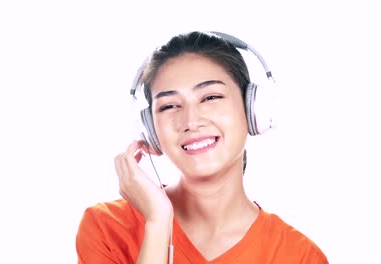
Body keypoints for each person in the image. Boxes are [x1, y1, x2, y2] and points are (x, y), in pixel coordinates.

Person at [75, 31, 328, 264]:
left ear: (253, 110)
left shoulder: (299, 256)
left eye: (210, 98)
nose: (191, 121)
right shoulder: (107, 228)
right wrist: (157, 222)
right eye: (169, 106)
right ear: (150, 130)